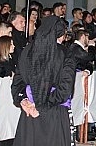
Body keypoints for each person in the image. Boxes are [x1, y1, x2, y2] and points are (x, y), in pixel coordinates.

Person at [11, 15, 76, 146]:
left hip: (30, 111)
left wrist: (23, 100)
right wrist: (41, 104)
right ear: (61, 34)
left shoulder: (28, 51)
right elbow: (65, 89)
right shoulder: (65, 53)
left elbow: (18, 81)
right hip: (53, 112)